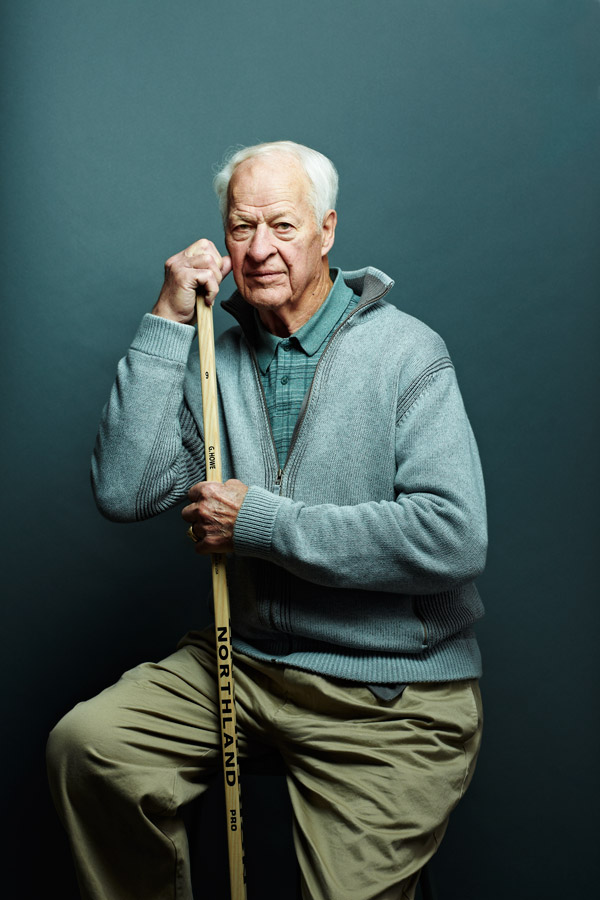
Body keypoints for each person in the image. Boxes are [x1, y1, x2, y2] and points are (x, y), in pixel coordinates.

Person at [47, 140, 487, 900]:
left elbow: (453, 537)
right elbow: (124, 491)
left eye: (282, 225)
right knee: (90, 749)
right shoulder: (211, 357)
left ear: (328, 229)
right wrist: (166, 320)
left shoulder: (408, 353)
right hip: (244, 664)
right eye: (241, 227)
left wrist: (261, 524)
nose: (258, 250)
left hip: (389, 697)